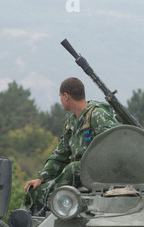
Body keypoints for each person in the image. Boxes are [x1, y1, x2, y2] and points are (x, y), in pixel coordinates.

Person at [22, 77, 118, 216]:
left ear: (66, 96)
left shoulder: (98, 115)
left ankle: (48, 206)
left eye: (60, 96)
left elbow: (117, 145)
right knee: (34, 190)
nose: (60, 99)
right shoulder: (71, 122)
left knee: (73, 168)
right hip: (81, 172)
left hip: (101, 171)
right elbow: (59, 155)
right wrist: (41, 178)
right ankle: (25, 218)